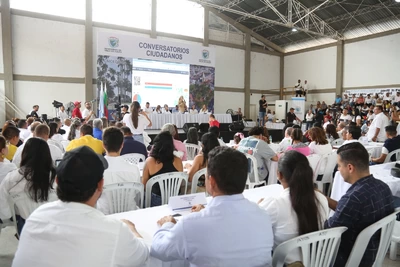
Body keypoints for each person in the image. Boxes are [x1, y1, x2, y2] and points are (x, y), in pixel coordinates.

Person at [12, 146, 149, 267]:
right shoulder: (114, 231)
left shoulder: (35, 218)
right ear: (101, 184)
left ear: (57, 181)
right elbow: (142, 255)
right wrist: (132, 230)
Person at [150, 147, 274, 266]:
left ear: (212, 181)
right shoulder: (263, 216)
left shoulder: (191, 225)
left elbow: (158, 250)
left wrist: (167, 224)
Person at [325, 142, 394, 267]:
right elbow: (346, 209)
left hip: (350, 258)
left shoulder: (354, 198)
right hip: (374, 251)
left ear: (350, 168)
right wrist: (324, 198)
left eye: (339, 166)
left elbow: (329, 233)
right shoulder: (383, 187)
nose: (338, 169)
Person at [258, 150, 329, 264]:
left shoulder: (275, 205)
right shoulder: (321, 199)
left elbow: (253, 229)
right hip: (318, 262)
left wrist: (258, 206)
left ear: (279, 174)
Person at [0, 138, 56, 235]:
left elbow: (2, 201)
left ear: (24, 154)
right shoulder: (56, 177)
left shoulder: (12, 177)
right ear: (47, 154)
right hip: (53, 225)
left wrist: (9, 217)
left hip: (25, 226)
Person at [97, 127, 141, 214]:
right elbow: (137, 195)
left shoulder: (96, 170)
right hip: (130, 214)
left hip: (104, 215)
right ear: (122, 145)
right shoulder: (134, 169)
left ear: (103, 145)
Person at [142, 132, 183, 207]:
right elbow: (179, 183)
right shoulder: (178, 161)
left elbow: (144, 185)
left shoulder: (150, 161)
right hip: (175, 199)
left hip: (156, 201)